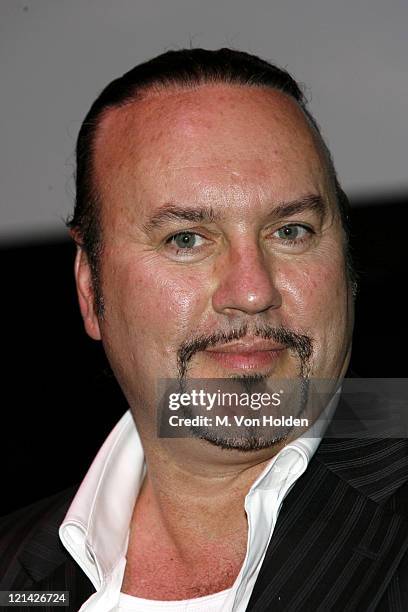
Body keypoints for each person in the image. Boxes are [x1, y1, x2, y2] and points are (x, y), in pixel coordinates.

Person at [1, 48, 407, 612]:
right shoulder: (16, 573)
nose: (251, 290)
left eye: (291, 230)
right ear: (91, 288)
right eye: (186, 239)